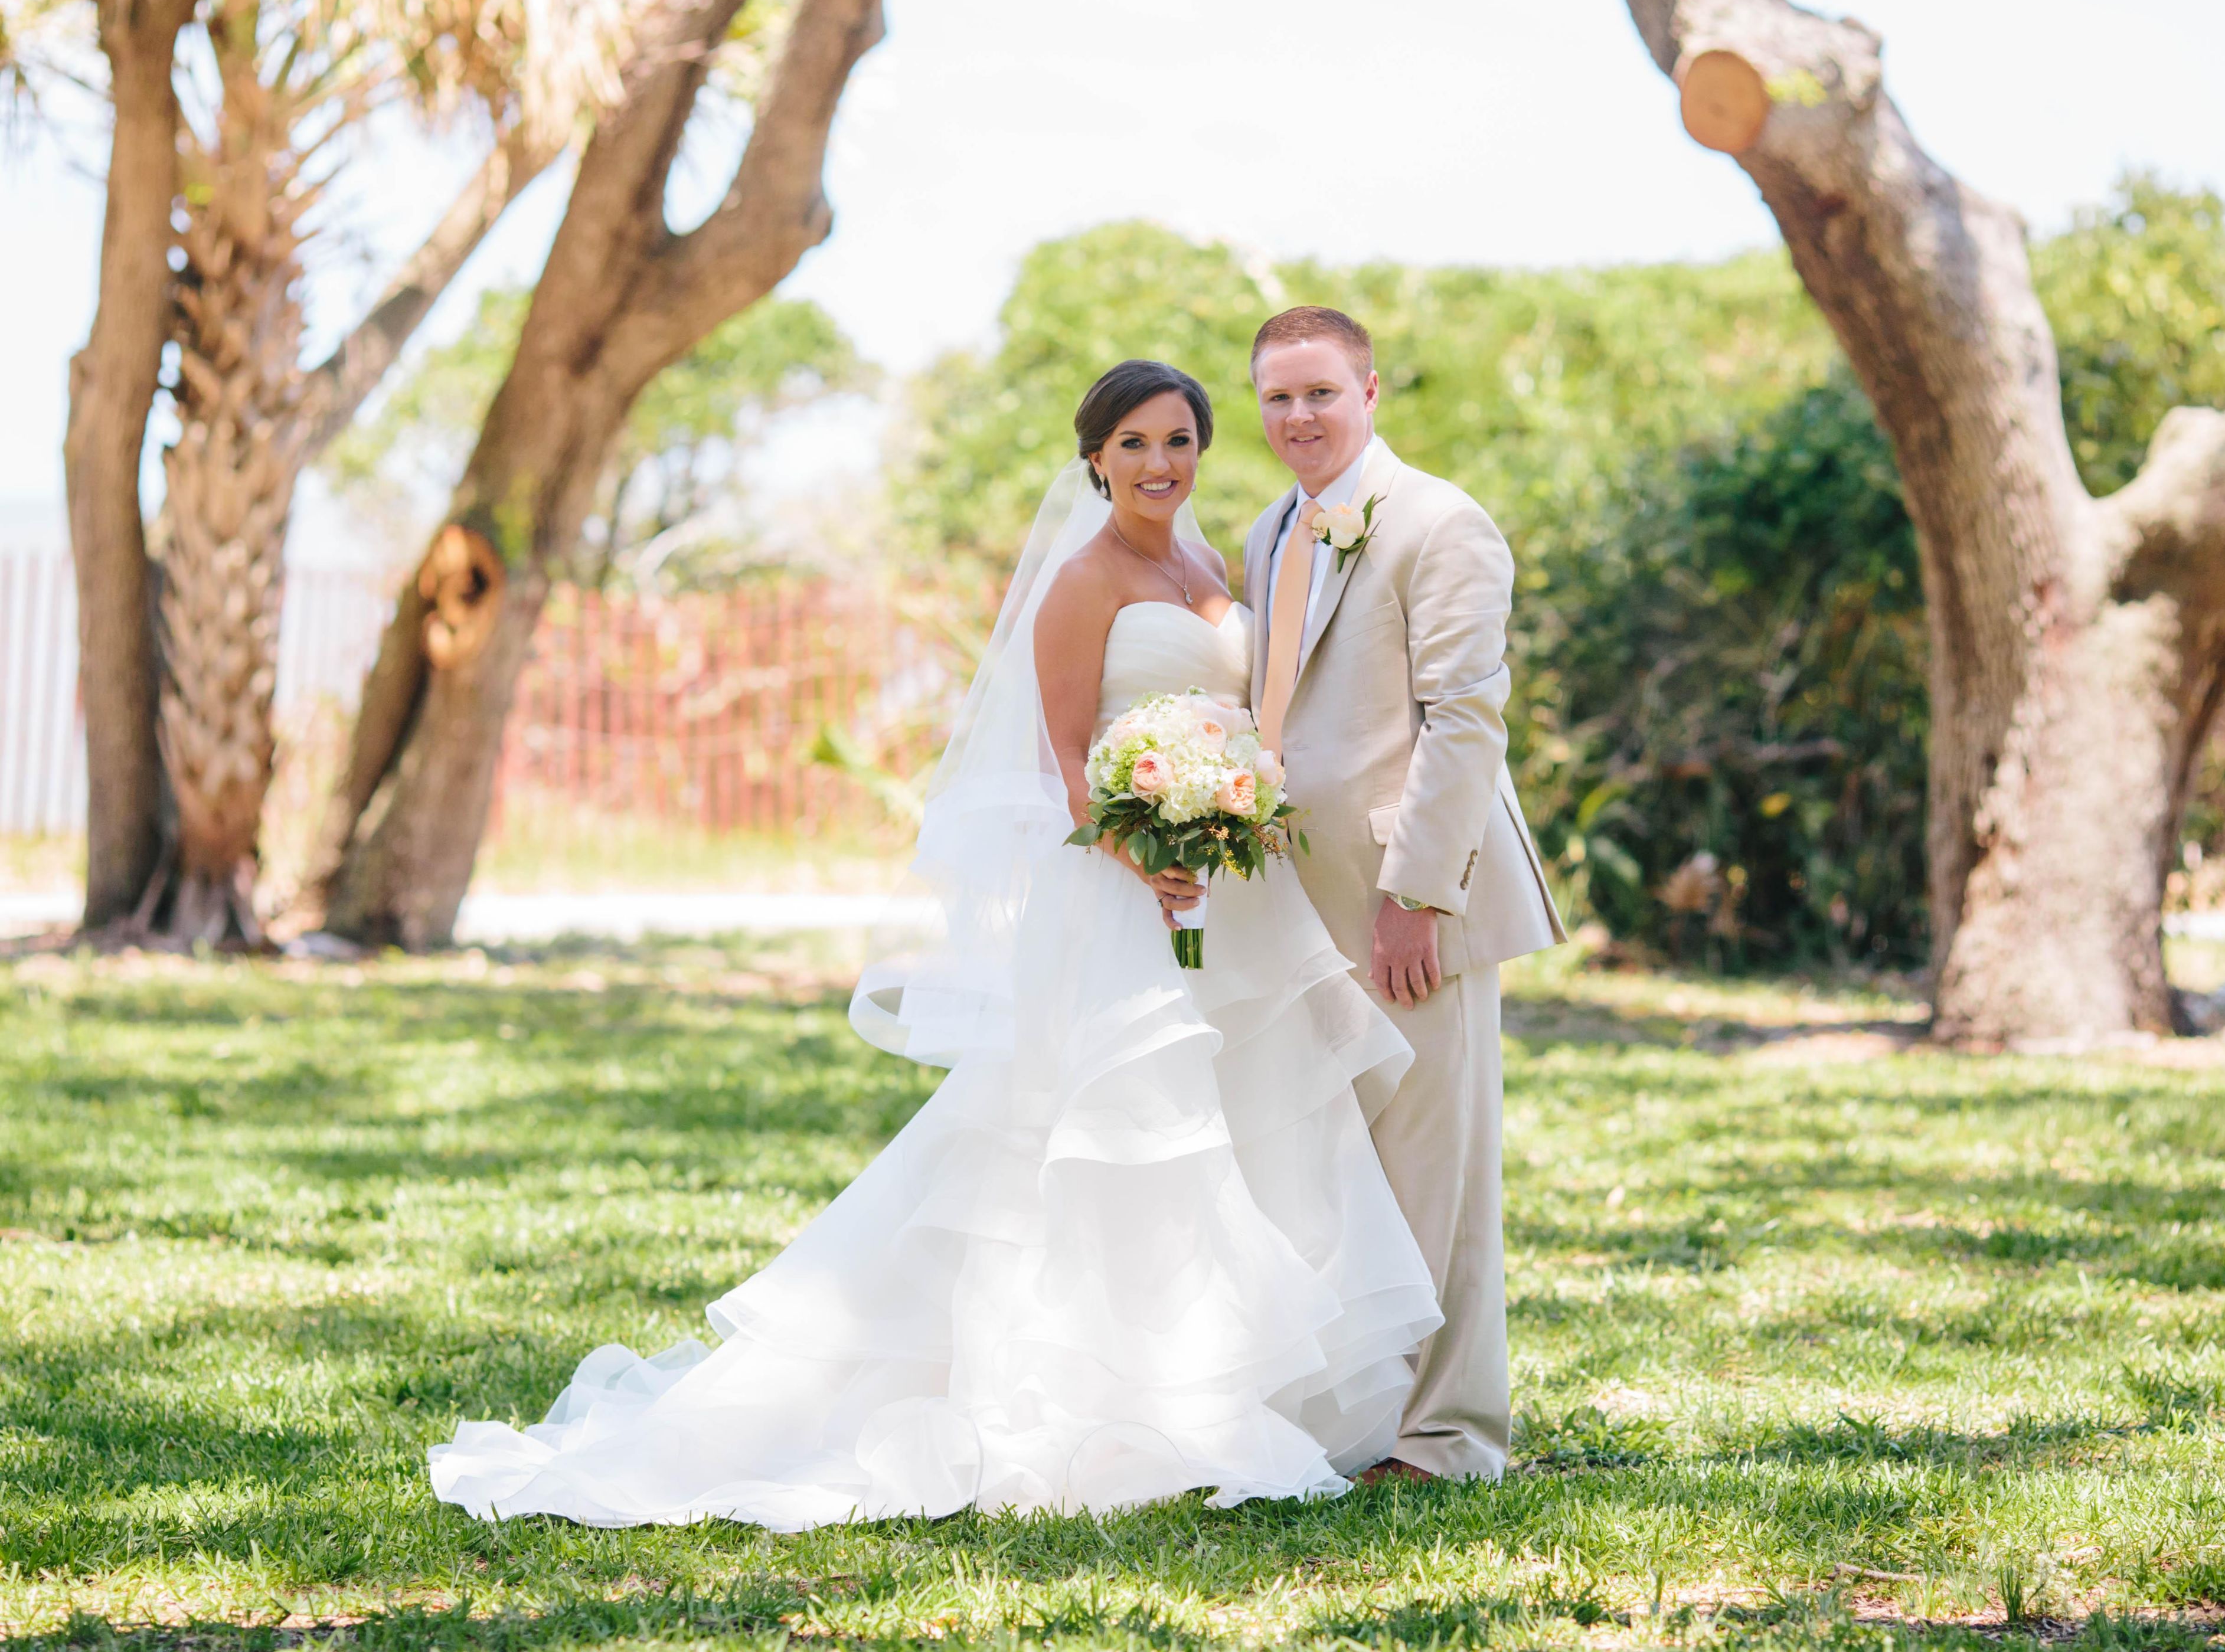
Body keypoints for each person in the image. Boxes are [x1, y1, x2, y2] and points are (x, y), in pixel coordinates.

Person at [427, 360, 1442, 1531]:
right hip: (1119, 901)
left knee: (1223, 1135)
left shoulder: (1212, 568)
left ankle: (1211, 1386)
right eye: (1132, 444)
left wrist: (1223, 813)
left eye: (1177, 440)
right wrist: (1143, 854)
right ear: (1094, 459)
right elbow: (1070, 767)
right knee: (1105, 1143)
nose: (1158, 464)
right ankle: (1083, 1406)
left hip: (1222, 900)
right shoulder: (1081, 582)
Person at [1241, 306, 1566, 1483]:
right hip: (1290, 907)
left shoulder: (1440, 522)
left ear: (1370, 391)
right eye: (1276, 398)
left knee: (1436, 1177)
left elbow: (1465, 719)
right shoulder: (1267, 532)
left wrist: (1414, 895)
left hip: (1408, 907)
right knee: (1335, 1175)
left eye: (1319, 393)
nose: (1297, 418)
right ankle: (1354, 1418)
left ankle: (1446, 1441)